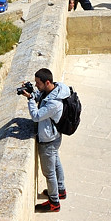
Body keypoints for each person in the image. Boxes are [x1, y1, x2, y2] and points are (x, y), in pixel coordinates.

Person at [20, 67, 70, 212]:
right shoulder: (54, 89)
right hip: (54, 137)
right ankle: (61, 190)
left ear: (47, 82)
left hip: (48, 139)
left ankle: (54, 202)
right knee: (55, 163)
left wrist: (30, 100)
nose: (37, 86)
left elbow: (36, 116)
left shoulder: (54, 103)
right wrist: (31, 92)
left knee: (49, 173)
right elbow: (40, 96)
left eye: (38, 83)